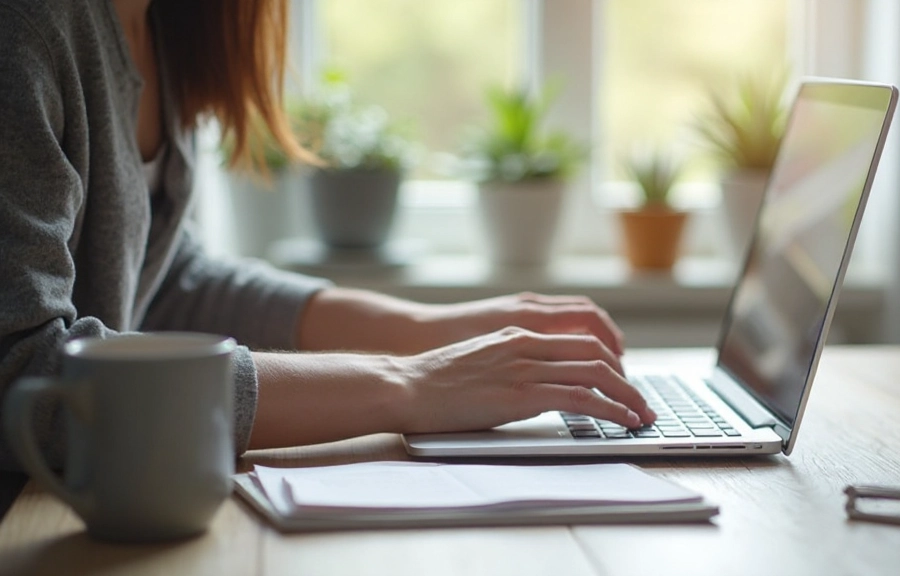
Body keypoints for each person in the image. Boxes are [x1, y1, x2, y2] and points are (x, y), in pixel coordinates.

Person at [0, 0, 656, 516]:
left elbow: (165, 277)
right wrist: (414, 383)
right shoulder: (28, 26)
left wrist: (430, 332)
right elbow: (26, 371)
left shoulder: (157, 20)